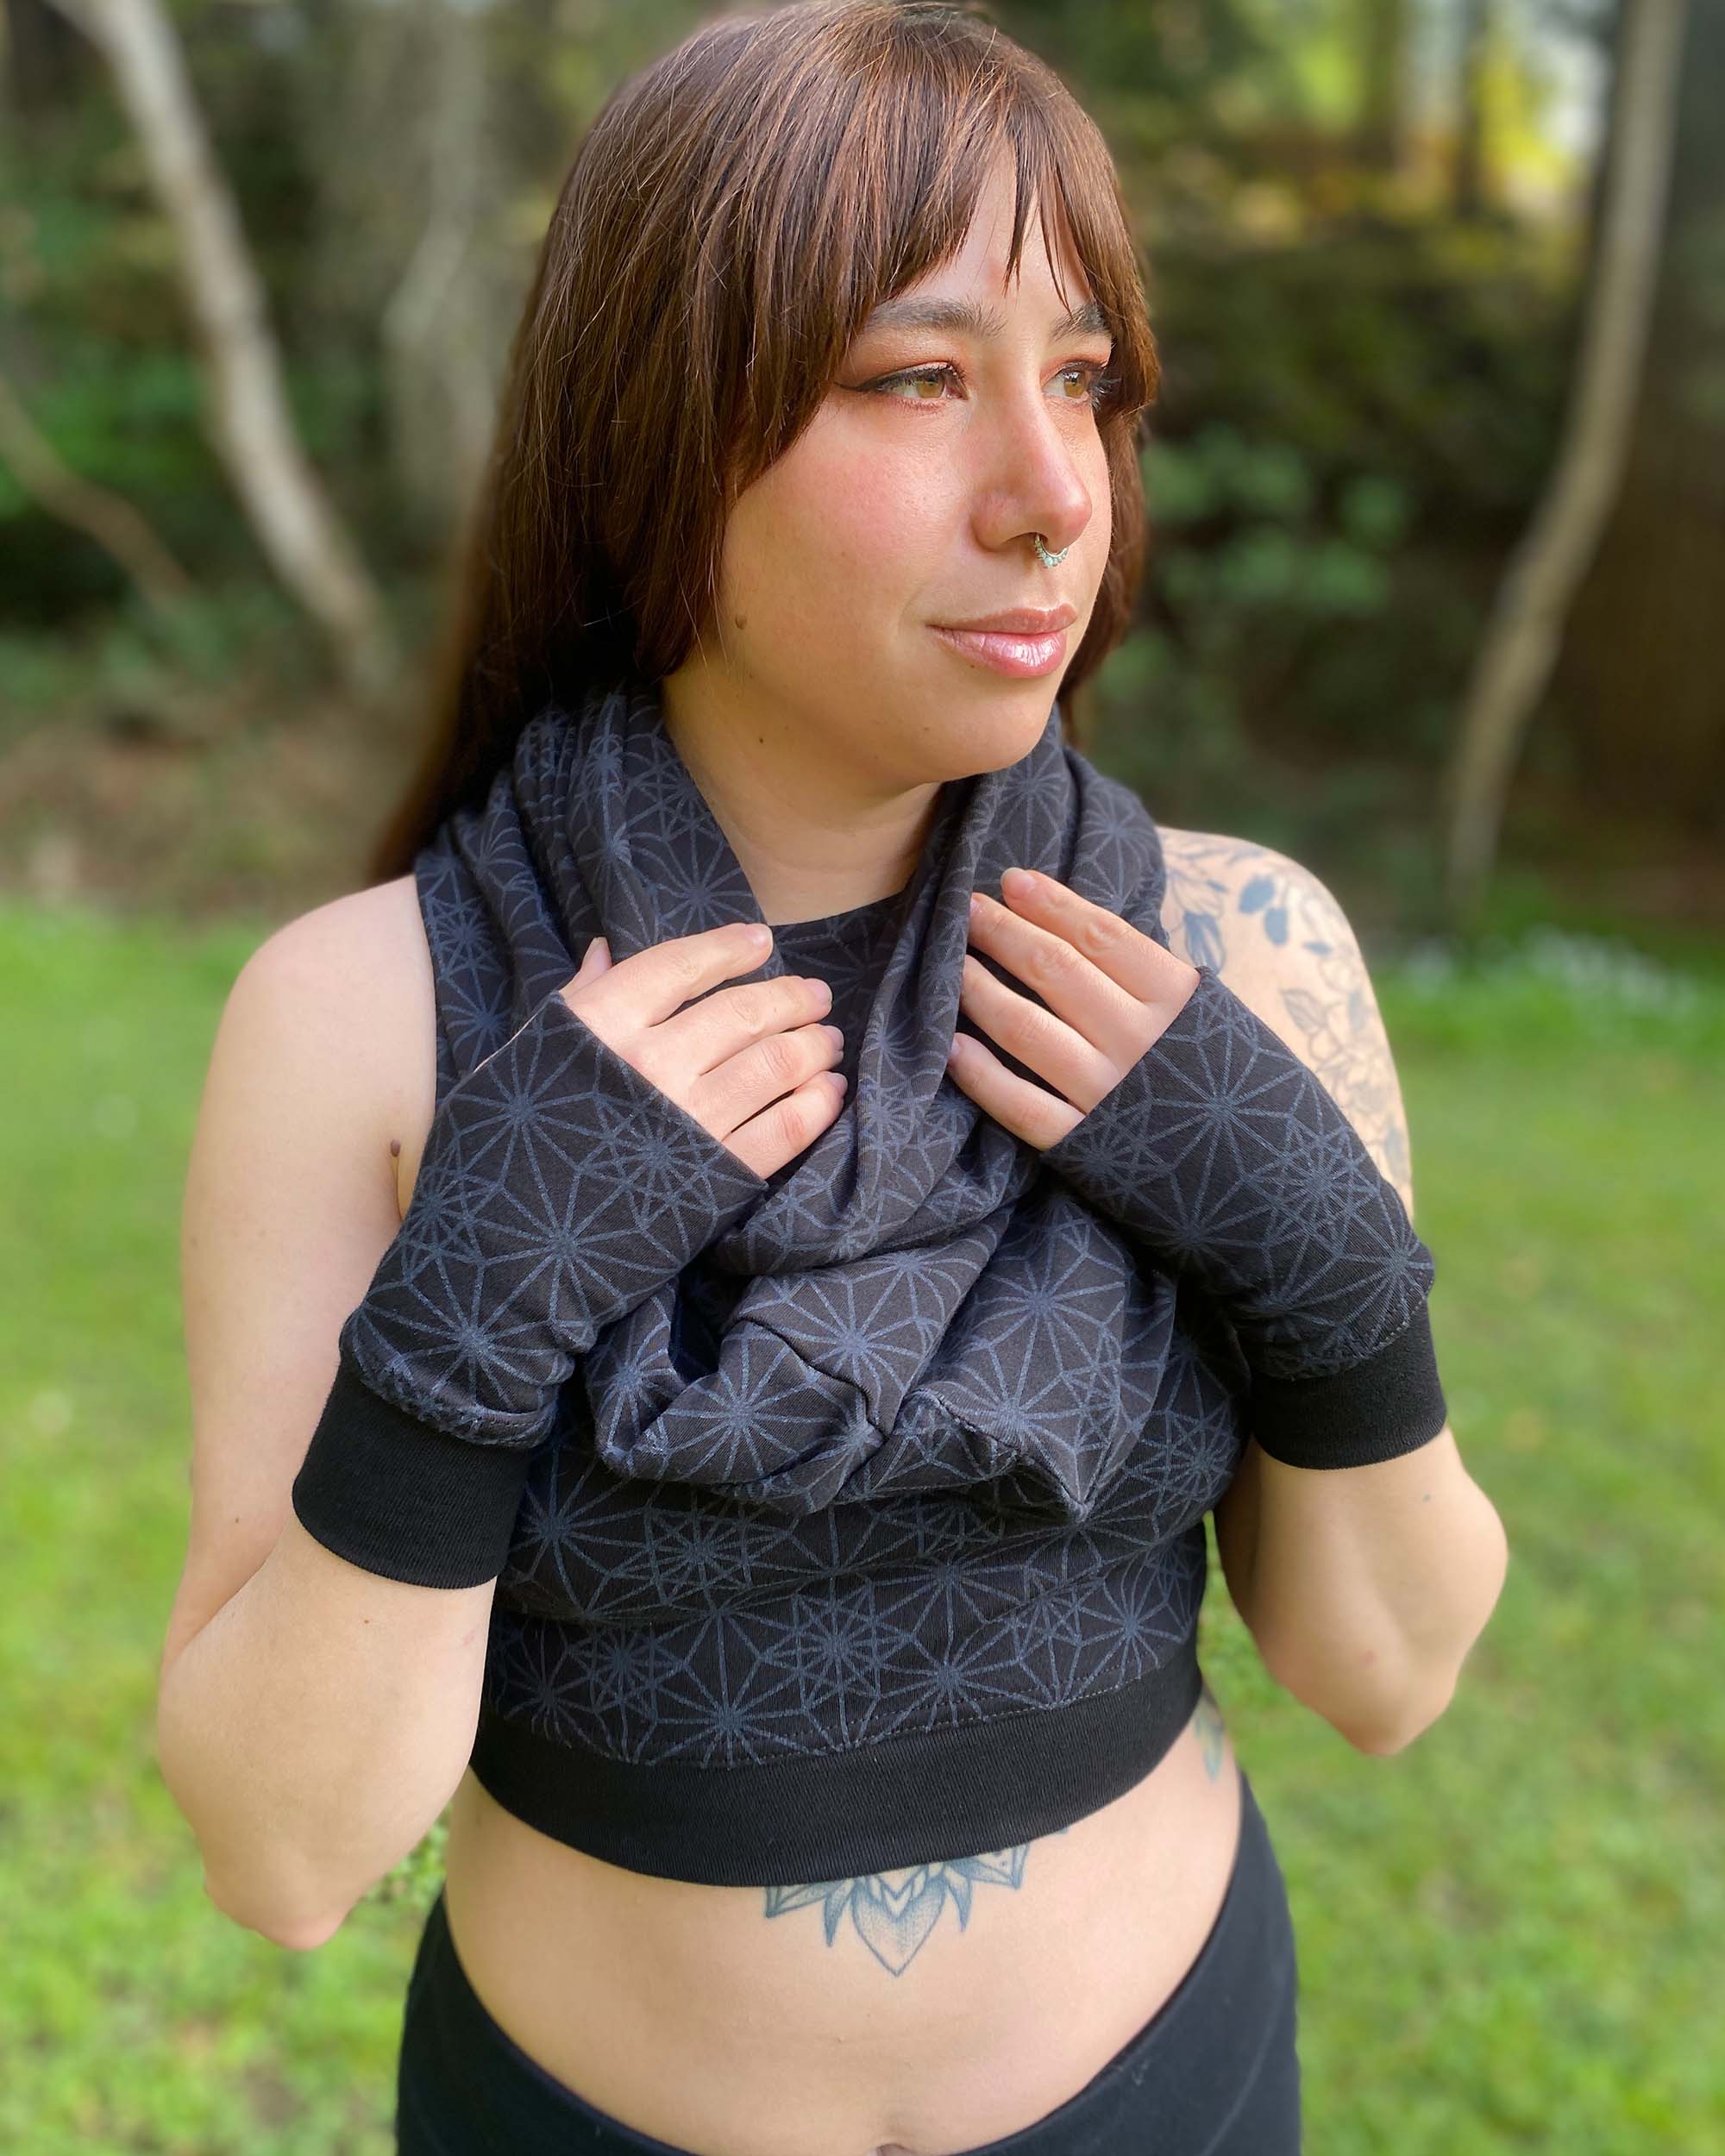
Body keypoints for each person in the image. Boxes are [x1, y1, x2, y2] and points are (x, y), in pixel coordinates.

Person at [157, 5, 1506, 2153]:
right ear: (659, 429)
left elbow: (1386, 1671)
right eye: (915, 375)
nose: (1053, 492)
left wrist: (1308, 1234)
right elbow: (281, 1849)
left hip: (1172, 2081)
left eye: (1083, 379)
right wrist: (474, 1299)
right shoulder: (374, 1016)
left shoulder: (1233, 949)